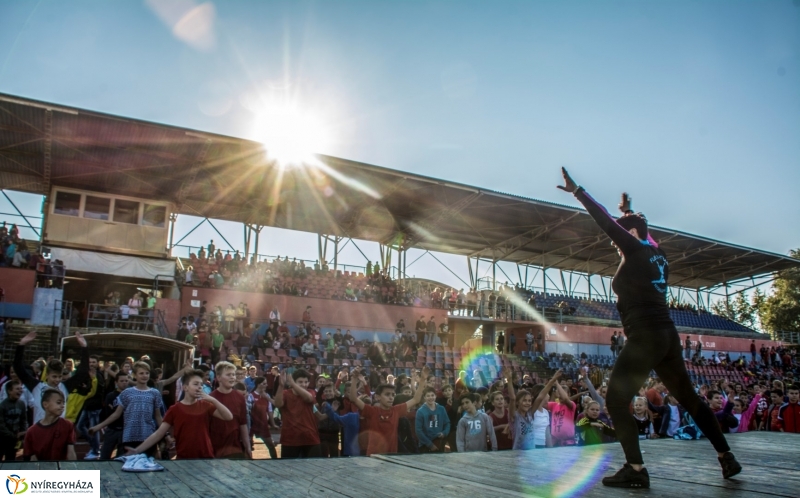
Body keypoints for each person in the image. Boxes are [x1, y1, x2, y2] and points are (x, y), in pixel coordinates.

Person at [558, 168, 740, 488]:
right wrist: (629, 213)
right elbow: (643, 229)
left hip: (645, 336)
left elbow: (605, 222)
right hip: (667, 336)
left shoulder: (634, 249)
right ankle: (726, 456)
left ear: (629, 236)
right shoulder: (660, 254)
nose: (617, 247)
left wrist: (578, 192)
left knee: (615, 400)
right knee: (690, 399)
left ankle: (636, 469)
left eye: (622, 237)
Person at [125, 369, 233, 459]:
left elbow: (228, 417)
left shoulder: (206, 405)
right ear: (185, 387)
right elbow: (158, 433)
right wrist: (137, 450)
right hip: (184, 457)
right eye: (195, 384)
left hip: (206, 456)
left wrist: (212, 400)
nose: (199, 387)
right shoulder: (175, 409)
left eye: (201, 384)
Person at [89, 362, 164, 457]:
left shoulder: (155, 393)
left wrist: (166, 434)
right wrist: (97, 427)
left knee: (147, 465)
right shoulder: (127, 393)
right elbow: (116, 414)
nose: (144, 376)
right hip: (129, 436)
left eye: (147, 373)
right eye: (141, 373)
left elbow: (158, 416)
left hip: (148, 436)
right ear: (134, 375)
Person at [348, 367, 428, 456]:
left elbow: (416, 399)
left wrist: (423, 380)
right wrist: (354, 378)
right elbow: (353, 399)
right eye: (387, 394)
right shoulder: (372, 411)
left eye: (393, 395)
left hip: (392, 454)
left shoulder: (396, 410)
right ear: (378, 397)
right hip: (374, 456)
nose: (391, 397)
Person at [505, 367, 560, 450]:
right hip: (519, 453)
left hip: (532, 452)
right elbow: (512, 398)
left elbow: (540, 397)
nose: (527, 403)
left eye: (529, 401)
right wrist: (509, 380)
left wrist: (552, 380)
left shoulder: (530, 414)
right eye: (524, 400)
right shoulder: (514, 416)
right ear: (517, 403)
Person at [273, 369, 321, 458]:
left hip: (310, 437)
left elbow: (309, 398)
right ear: (295, 381)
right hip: (290, 438)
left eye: (306, 382)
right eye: (300, 382)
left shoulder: (311, 392)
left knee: (315, 468)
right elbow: (278, 404)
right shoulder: (286, 393)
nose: (304, 384)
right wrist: (281, 385)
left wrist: (293, 383)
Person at [209, 362, 251, 459]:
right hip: (215, 449)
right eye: (228, 375)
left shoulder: (240, 397)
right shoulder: (211, 398)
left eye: (233, 374)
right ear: (218, 377)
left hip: (235, 448)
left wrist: (247, 446)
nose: (232, 377)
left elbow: (243, 424)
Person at [23, 389, 77, 461]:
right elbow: (31, 459)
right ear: (45, 404)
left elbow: (71, 452)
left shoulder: (68, 425)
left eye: (63, 403)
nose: (62, 406)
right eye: (58, 402)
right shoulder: (32, 432)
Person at [99, 372, 129, 460]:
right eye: (122, 381)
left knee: (121, 457)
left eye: (126, 381)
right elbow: (109, 412)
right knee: (105, 455)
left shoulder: (130, 395)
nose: (124, 383)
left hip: (125, 430)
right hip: (112, 429)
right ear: (116, 382)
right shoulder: (111, 395)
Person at [415, 387, 450, 453]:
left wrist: (444, 433)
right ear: (424, 397)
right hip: (425, 445)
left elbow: (447, 423)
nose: (430, 397)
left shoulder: (441, 409)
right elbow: (418, 430)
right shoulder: (420, 411)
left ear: (435, 396)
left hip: (439, 442)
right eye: (428, 396)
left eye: (432, 395)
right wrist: (430, 445)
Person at [0, 380, 28, 461]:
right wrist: (13, 435)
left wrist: (23, 434)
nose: (20, 391)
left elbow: (23, 420)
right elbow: (1, 425)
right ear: (9, 391)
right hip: (2, 438)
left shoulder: (21, 404)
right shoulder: (2, 406)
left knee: (11, 459)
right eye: (17, 389)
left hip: (15, 439)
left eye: (20, 388)